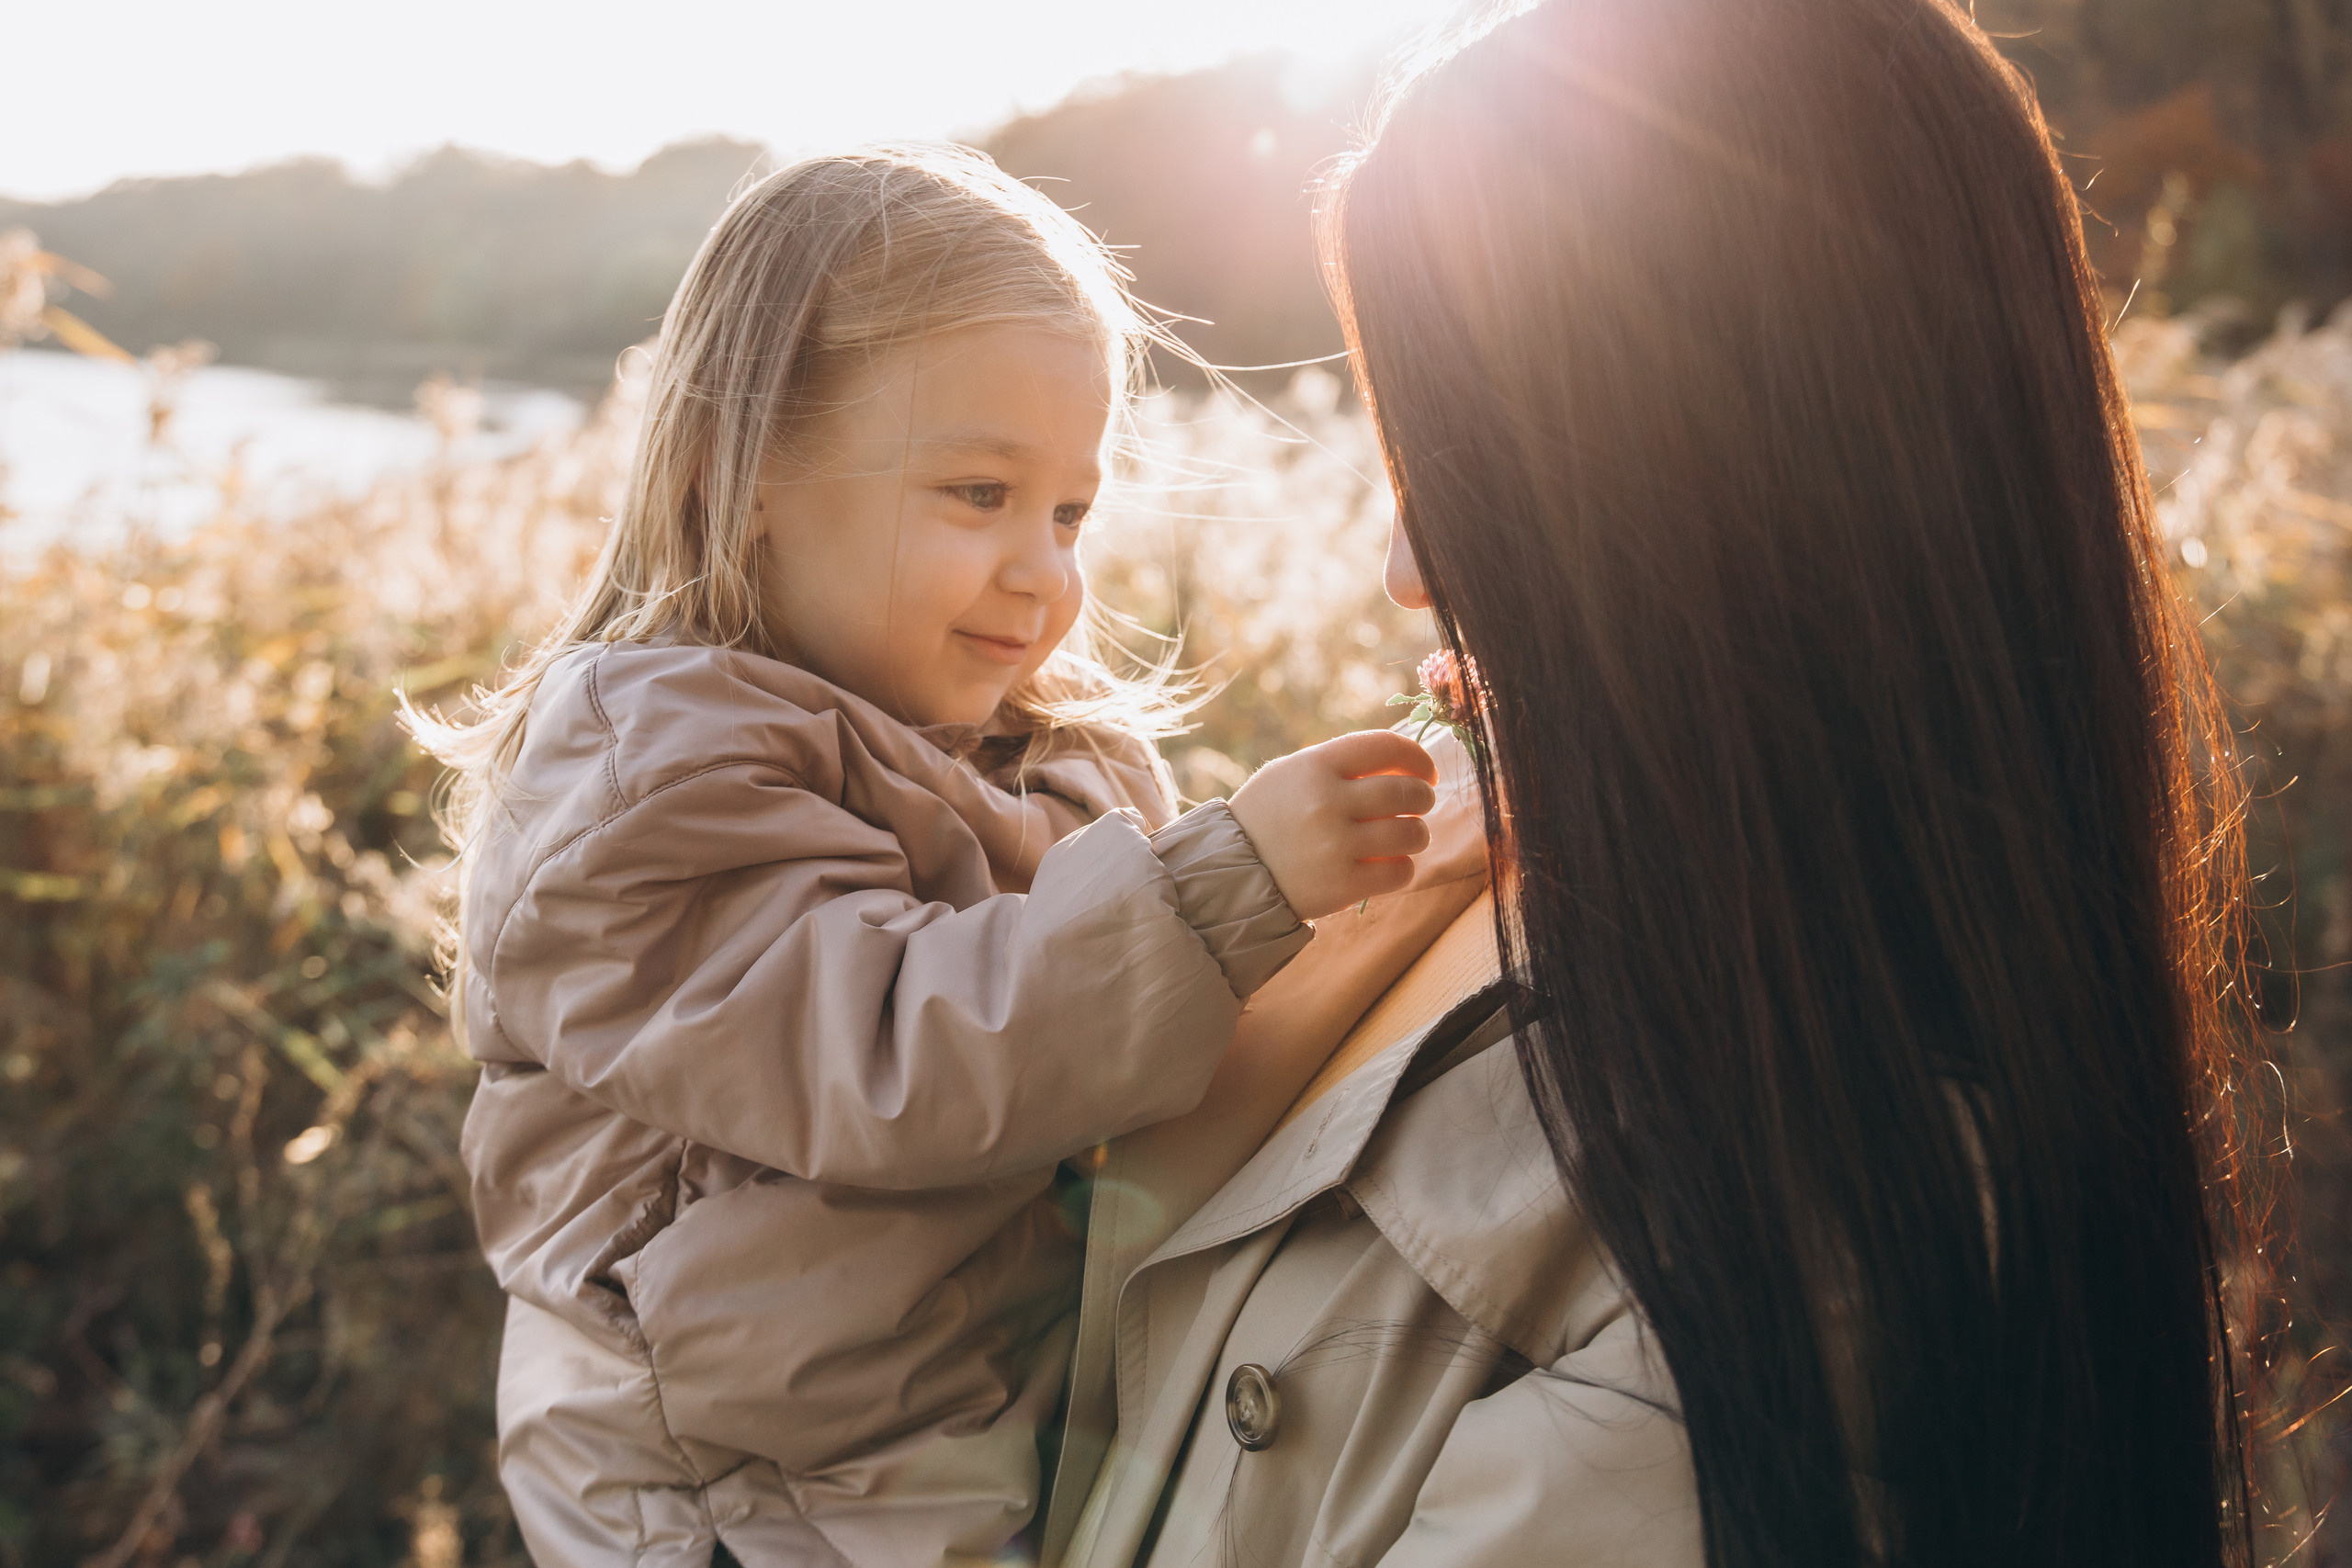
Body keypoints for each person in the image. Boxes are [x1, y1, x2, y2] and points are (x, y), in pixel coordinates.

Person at [1043, 1, 2279, 1564]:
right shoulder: (1467, 888)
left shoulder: (1789, 1285)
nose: (1403, 571)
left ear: (1713, 499)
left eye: (1464, 464)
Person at [404, 146, 1473, 1567]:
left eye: (1070, 512)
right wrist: (1231, 883)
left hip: (949, 1446)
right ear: (752, 471)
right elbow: (899, 1051)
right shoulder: (649, 773)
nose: (1044, 568)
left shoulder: (1040, 759)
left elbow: (1138, 1030)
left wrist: (1423, 801)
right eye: (979, 494)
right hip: (737, 1497)